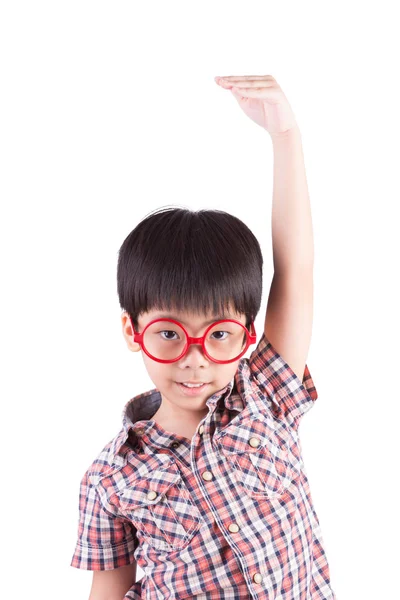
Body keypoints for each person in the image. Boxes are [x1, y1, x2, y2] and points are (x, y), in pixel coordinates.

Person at [70, 75, 337, 599]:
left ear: (248, 333)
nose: (194, 360)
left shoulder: (265, 395)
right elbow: (109, 588)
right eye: (169, 333)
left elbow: (296, 271)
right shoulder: (110, 477)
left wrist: (285, 136)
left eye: (218, 335)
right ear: (132, 330)